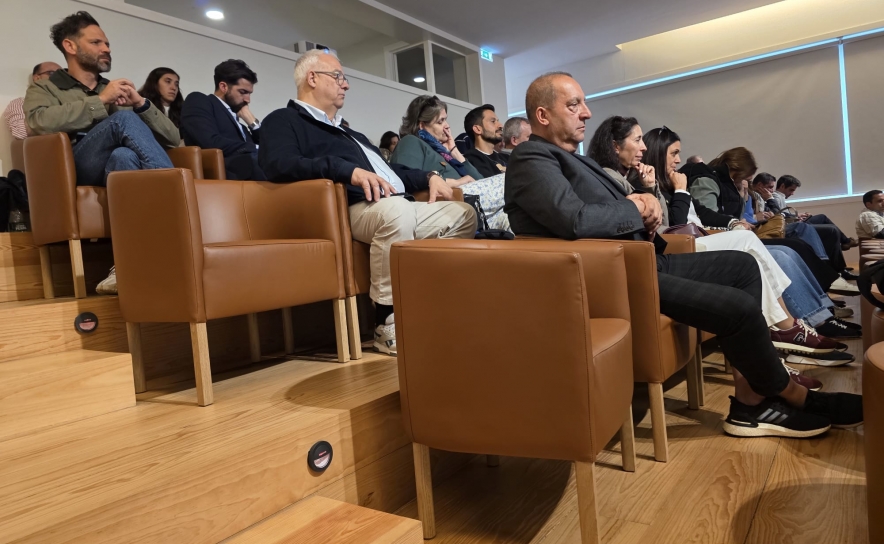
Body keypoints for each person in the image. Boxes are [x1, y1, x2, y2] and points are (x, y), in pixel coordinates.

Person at [504, 71, 862, 437]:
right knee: (737, 307)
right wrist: (637, 205)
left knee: (743, 265)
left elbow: (601, 214)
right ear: (543, 115)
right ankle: (789, 396)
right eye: (574, 104)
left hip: (642, 260)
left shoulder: (574, 160)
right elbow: (574, 219)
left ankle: (750, 397)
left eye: (584, 103)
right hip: (613, 277)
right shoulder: (531, 157)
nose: (587, 112)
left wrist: (644, 212)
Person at [589, 117, 856, 370]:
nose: (678, 159)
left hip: (689, 241)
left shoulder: (653, 179)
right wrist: (676, 190)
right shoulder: (637, 179)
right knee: (755, 246)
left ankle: (802, 319)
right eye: (673, 153)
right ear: (617, 146)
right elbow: (673, 226)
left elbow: (695, 216)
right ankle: (788, 326)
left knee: (784, 249)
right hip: (677, 248)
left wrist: (729, 218)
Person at [258, 51, 476, 356]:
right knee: (396, 212)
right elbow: (278, 164)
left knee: (462, 214)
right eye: (338, 76)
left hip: (392, 203)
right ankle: (386, 322)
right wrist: (346, 170)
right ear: (312, 78)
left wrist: (429, 176)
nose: (345, 84)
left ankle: (426, 305)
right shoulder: (283, 120)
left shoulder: (349, 132)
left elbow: (389, 173)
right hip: (346, 208)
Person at [24, 11, 180, 295]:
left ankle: (126, 266)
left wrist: (141, 103)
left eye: (107, 43)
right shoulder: (46, 87)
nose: (106, 48)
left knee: (124, 157)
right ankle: (179, 205)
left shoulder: (114, 89)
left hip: (111, 166)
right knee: (123, 120)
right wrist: (101, 101)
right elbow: (38, 122)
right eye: (96, 42)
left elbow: (173, 138)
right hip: (75, 166)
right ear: (70, 46)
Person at [391, 95, 509, 231]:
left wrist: (454, 151)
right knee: (508, 181)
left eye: (445, 119)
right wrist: (454, 182)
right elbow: (405, 181)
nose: (447, 126)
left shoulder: (442, 152)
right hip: (450, 205)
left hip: (472, 205)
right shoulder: (411, 142)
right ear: (422, 125)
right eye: (440, 121)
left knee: (512, 218)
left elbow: (479, 180)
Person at [180, 59, 266, 180]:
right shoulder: (199, 100)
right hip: (230, 172)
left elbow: (269, 145)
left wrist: (252, 122)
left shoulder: (240, 125)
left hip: (251, 172)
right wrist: (255, 148)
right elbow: (210, 142)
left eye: (249, 93)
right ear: (223, 86)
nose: (248, 100)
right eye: (243, 92)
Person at [772, 175, 859, 253]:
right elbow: (780, 216)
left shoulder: (780, 197)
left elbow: (784, 213)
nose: (792, 193)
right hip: (793, 226)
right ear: (782, 186)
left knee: (824, 220)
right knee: (826, 223)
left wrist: (798, 215)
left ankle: (846, 242)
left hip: (793, 223)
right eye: (791, 190)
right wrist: (796, 218)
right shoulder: (776, 197)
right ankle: (846, 242)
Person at [4, 61, 62, 139]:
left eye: (62, 74)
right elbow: (20, 132)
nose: (59, 77)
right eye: (51, 73)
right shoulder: (20, 103)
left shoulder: (69, 102)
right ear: (37, 78)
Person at [462, 104, 509, 178]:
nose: (501, 125)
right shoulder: (471, 160)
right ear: (478, 129)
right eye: (493, 121)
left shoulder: (506, 157)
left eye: (498, 121)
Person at [138, 67, 182, 132]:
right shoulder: (140, 105)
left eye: (176, 84)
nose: (174, 88)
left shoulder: (183, 111)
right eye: (168, 81)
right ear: (155, 83)